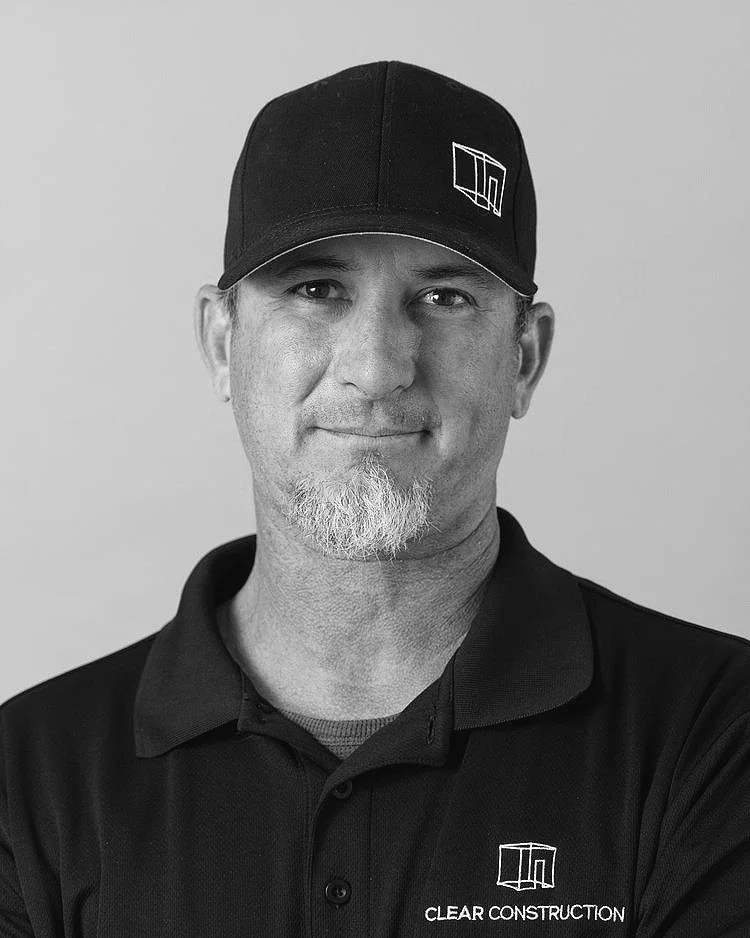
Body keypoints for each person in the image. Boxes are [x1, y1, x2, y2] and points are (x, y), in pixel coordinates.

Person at [1, 61, 748, 937]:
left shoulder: (716, 735)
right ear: (222, 341)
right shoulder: (29, 777)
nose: (379, 367)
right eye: (316, 291)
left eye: (444, 297)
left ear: (524, 357)